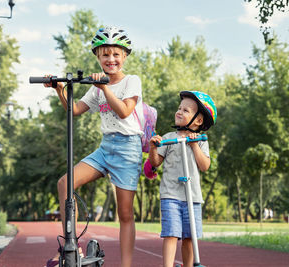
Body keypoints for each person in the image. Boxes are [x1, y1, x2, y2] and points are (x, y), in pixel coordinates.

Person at [45, 26, 143, 267]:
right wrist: (60, 89)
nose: (111, 59)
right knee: (65, 183)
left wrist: (105, 88)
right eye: (105, 55)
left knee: (125, 214)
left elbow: (124, 111)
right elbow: (74, 109)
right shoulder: (95, 85)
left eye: (116, 54)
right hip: (105, 147)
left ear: (125, 56)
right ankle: (72, 248)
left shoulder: (131, 81)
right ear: (97, 57)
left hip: (128, 148)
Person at [148, 91, 217, 267]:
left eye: (186, 110)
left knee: (189, 236)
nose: (179, 112)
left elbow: (205, 166)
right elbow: (156, 162)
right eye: (179, 108)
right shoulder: (168, 138)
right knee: (171, 234)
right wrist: (153, 148)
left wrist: (194, 145)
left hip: (192, 197)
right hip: (170, 194)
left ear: (199, 121)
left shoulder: (201, 141)